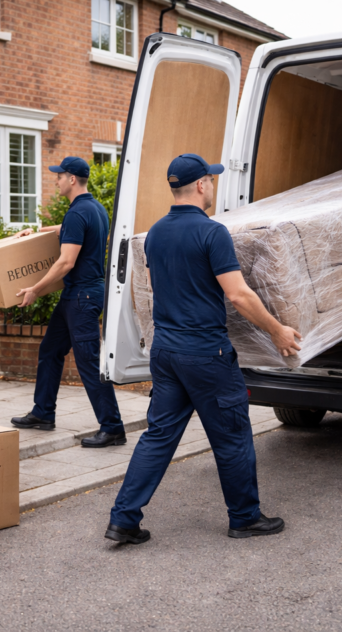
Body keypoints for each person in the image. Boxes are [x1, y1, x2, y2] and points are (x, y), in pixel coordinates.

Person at [105, 153, 302, 544]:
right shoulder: (212, 233)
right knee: (231, 436)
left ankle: (123, 519)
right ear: (200, 185)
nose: (212, 185)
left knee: (158, 436)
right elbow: (239, 295)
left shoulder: (155, 233)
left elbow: (155, 288)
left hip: (166, 352)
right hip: (205, 354)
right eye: (210, 180)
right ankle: (245, 518)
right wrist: (278, 330)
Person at [9, 156, 126, 448]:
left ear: (72, 179)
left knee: (87, 362)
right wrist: (38, 231)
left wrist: (35, 288)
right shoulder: (95, 209)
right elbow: (67, 229)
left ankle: (113, 427)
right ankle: (43, 413)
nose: (56, 180)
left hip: (81, 298)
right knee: (50, 350)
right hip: (78, 295)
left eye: (59, 176)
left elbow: (66, 262)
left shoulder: (78, 213)